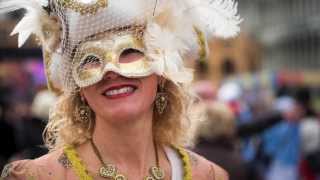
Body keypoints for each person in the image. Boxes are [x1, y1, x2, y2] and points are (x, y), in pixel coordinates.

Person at [0, 0, 241, 179]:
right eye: (90, 59)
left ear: (161, 74)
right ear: (80, 90)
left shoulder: (208, 175)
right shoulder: (36, 177)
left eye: (130, 52)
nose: (110, 70)